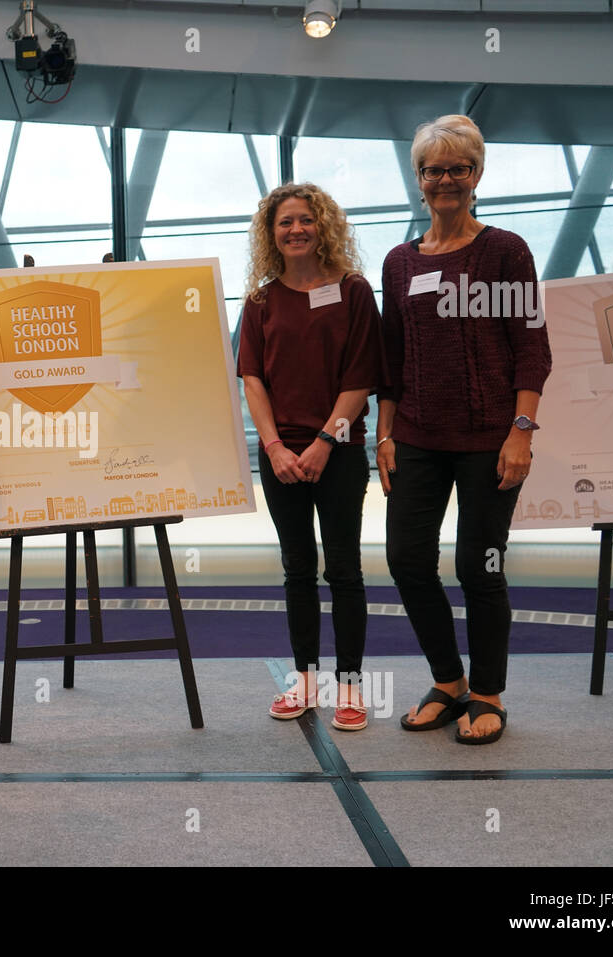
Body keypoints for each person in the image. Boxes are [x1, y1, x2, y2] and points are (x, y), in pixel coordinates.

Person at [378, 115, 552, 744]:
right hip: (418, 440)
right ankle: (448, 683)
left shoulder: (504, 251)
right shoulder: (399, 263)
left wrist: (521, 430)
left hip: (488, 443)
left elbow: (532, 348)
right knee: (406, 561)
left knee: (479, 568)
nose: (445, 179)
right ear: (418, 180)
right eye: (433, 169)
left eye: (458, 168)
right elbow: (391, 362)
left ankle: (488, 694)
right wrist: (385, 434)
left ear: (477, 176)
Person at [237, 183, 385, 732]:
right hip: (280, 459)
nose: (296, 229)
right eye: (284, 222)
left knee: (343, 569)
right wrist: (273, 446)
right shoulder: (259, 301)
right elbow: (253, 380)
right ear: (271, 234)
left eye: (305, 220)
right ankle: (304, 680)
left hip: (339, 452)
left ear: (322, 225)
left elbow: (361, 379)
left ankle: (349, 685)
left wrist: (325, 442)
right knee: (297, 570)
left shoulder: (353, 291)